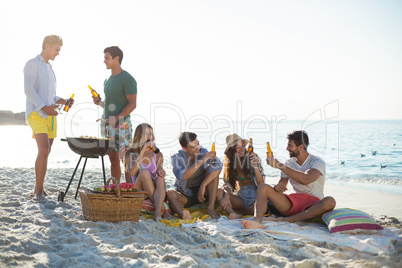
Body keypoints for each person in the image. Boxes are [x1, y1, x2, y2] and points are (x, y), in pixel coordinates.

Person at [242, 130, 336, 229]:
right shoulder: (289, 163)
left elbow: (306, 179)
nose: (287, 148)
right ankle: (257, 221)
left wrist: (279, 165)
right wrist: (278, 187)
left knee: (330, 201)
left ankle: (286, 220)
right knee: (262, 187)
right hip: (294, 202)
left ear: (301, 147)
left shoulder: (317, 162)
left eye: (290, 146)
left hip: (314, 205)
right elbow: (282, 184)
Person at [24, 35, 74, 201]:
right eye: (56, 49)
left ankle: (40, 188)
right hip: (37, 113)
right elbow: (29, 90)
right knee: (43, 149)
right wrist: (44, 107)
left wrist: (64, 101)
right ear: (47, 46)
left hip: (51, 115)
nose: (58, 53)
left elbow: (50, 96)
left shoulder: (49, 68)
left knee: (46, 152)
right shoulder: (33, 64)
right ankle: (37, 191)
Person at [92, 46, 137, 183]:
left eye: (107, 58)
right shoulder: (107, 80)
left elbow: (132, 104)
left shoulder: (127, 79)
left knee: (125, 158)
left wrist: (117, 118)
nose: (104, 61)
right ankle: (115, 187)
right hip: (107, 125)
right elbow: (110, 105)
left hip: (121, 125)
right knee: (113, 158)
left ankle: (130, 188)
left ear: (116, 58)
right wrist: (99, 103)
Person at [167, 132, 223, 219]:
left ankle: (210, 209)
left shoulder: (202, 151)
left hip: (204, 193)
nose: (197, 148)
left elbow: (218, 165)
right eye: (193, 147)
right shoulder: (177, 158)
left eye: (198, 144)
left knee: (212, 169)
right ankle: (183, 215)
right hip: (186, 194)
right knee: (170, 193)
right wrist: (202, 161)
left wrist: (203, 185)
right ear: (184, 149)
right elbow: (182, 176)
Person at [125, 123, 173, 221]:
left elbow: (159, 170)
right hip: (138, 189)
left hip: (153, 188)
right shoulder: (130, 153)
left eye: (150, 133)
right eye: (146, 134)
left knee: (160, 179)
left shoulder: (158, 154)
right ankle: (163, 210)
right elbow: (133, 173)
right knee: (144, 173)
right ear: (139, 136)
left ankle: (158, 212)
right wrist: (142, 152)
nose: (149, 136)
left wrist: (162, 172)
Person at [216, 134, 265, 219]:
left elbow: (261, 183)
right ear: (232, 150)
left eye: (243, 145)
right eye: (238, 147)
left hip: (256, 196)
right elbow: (227, 184)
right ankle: (233, 213)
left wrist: (255, 166)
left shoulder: (252, 157)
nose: (242, 149)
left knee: (257, 208)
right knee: (218, 192)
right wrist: (227, 195)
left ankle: (241, 213)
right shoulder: (229, 164)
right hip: (241, 197)